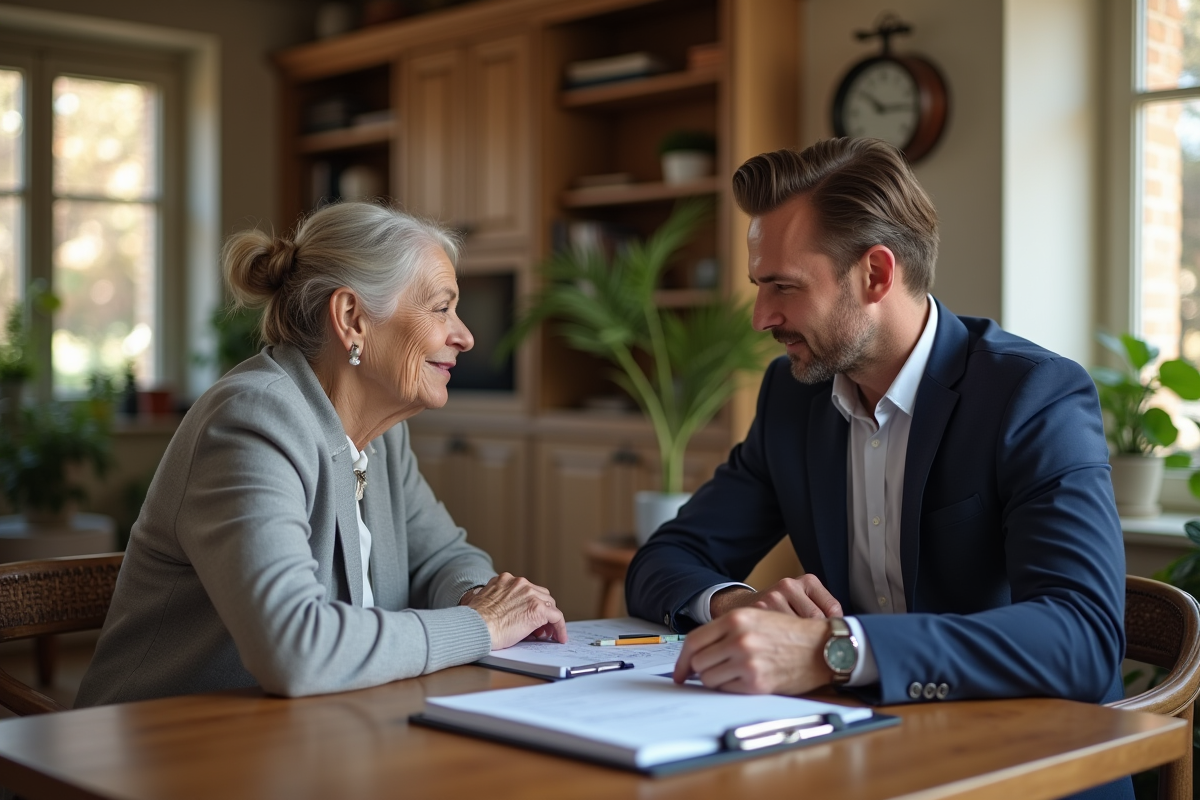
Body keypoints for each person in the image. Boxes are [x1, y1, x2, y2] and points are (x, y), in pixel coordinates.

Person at [625, 137, 1129, 799]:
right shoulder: (791, 400)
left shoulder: (1033, 395)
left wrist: (834, 648)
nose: (760, 317)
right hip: (860, 758)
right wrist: (742, 609)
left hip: (1022, 768)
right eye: (759, 286)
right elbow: (665, 560)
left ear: (876, 275)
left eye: (783, 287)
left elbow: (1083, 637)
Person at [77, 202, 566, 706]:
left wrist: (475, 596)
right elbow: (295, 646)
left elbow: (442, 557)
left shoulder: (382, 436)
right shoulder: (252, 420)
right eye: (441, 308)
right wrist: (481, 624)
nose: (464, 336)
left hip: (314, 738)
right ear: (352, 317)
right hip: (159, 756)